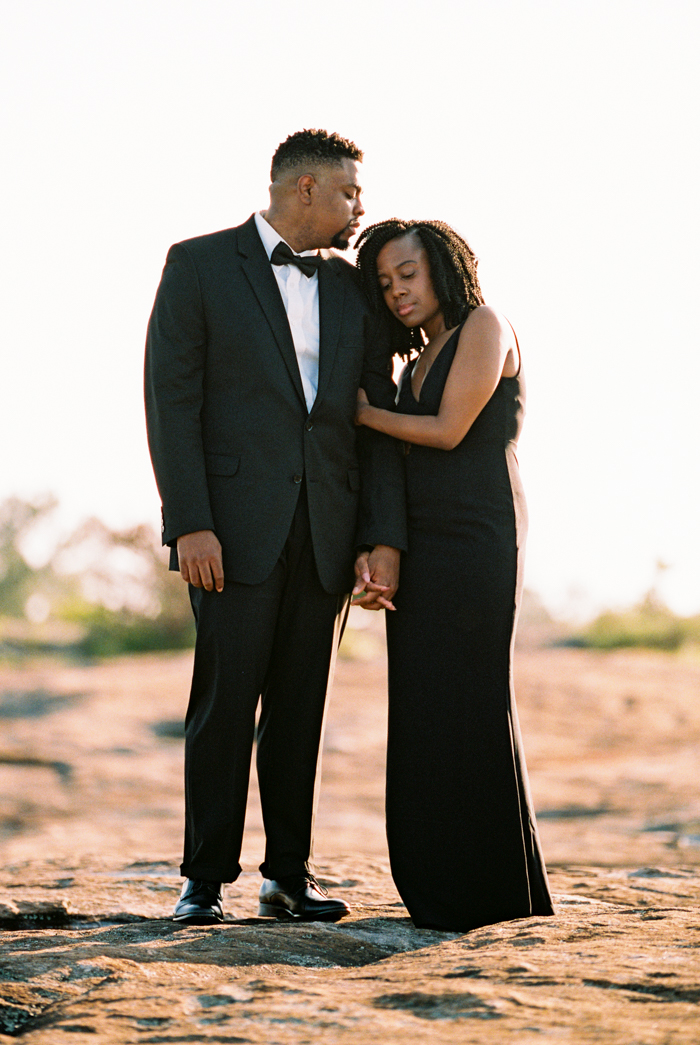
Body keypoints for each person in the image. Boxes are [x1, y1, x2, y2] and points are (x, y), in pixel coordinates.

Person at [144, 130, 406, 924]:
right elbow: (171, 400)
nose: (361, 206)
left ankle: (287, 875)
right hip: (230, 531)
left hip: (325, 532)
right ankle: (203, 881)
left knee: (302, 707)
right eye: (349, 193)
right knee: (224, 705)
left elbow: (378, 417)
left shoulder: (355, 288)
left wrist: (378, 534)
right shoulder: (197, 264)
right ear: (304, 191)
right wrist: (190, 522)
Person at [354, 218, 554, 933]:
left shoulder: (485, 324)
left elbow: (447, 431)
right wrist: (383, 549)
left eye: (407, 274)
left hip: (478, 536)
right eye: (384, 283)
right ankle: (437, 889)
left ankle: (497, 893)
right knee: (421, 702)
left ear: (443, 265)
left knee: (471, 699)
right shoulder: (418, 357)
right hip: (427, 542)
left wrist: (364, 413)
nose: (397, 291)